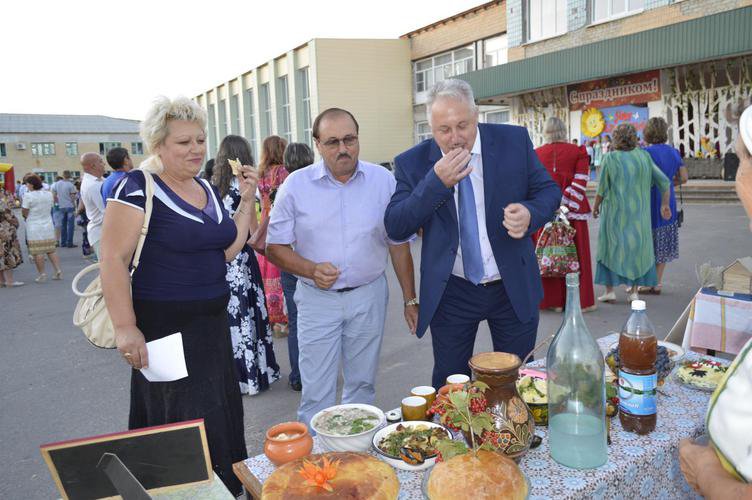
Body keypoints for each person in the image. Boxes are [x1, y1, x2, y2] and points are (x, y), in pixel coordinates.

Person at [100, 96, 255, 495]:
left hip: (212, 331)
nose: (196, 149)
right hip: (166, 333)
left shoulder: (204, 186)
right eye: (184, 142)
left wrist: (248, 199)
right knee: (180, 425)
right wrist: (125, 327)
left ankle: (222, 490)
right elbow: (113, 259)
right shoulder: (137, 187)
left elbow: (226, 250)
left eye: (200, 140)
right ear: (159, 146)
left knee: (218, 416)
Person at [384, 79, 561, 389]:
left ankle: (515, 434)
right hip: (453, 289)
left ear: (477, 115)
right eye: (444, 130)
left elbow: (548, 191)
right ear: (431, 127)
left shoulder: (513, 141)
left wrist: (530, 214)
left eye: (462, 126)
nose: (455, 138)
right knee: (451, 385)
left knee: (516, 381)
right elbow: (396, 226)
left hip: (511, 285)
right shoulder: (412, 163)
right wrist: (435, 183)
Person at [266, 108, 417, 427]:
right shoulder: (296, 185)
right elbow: (274, 247)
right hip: (317, 301)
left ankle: (355, 458)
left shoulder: (382, 180)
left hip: (369, 296)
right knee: (317, 393)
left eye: (349, 139)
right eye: (332, 142)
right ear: (317, 144)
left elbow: (398, 242)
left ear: (358, 138)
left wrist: (410, 298)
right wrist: (310, 269)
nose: (343, 148)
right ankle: (316, 464)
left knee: (362, 387)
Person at [212, 135, 280, 396]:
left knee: (231, 319)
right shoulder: (244, 188)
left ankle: (234, 376)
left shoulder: (211, 188)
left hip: (221, 261)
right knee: (250, 315)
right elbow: (252, 231)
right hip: (242, 260)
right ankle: (256, 373)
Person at [592, 123, 671, 303]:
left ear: (616, 139)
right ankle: (634, 292)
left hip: (614, 215)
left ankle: (610, 291)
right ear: (634, 138)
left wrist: (595, 207)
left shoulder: (610, 159)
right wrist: (664, 205)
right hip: (639, 216)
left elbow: (602, 189)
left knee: (609, 248)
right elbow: (665, 182)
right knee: (636, 249)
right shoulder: (643, 156)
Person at [534, 117, 596, 312]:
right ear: (564, 130)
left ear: (546, 132)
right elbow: (581, 181)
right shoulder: (578, 152)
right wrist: (565, 206)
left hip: (545, 212)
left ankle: (552, 301)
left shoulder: (536, 154)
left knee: (547, 254)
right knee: (576, 255)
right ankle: (580, 302)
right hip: (572, 214)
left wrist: (552, 205)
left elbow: (533, 184)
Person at [280, 142, 315, 392]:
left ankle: (298, 375)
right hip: (310, 264)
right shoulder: (313, 187)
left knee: (296, 321)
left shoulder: (280, 188)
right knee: (317, 323)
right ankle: (313, 375)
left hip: (287, 262)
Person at [640, 117, 688, 295]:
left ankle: (647, 282)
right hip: (668, 200)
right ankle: (657, 283)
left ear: (648, 132)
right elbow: (684, 178)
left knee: (647, 240)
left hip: (649, 199)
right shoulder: (674, 152)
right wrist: (667, 184)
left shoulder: (644, 153)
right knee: (663, 239)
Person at [256, 136, 289, 336]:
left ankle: (270, 316)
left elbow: (261, 200)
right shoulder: (284, 172)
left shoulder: (261, 173)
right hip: (278, 222)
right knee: (280, 268)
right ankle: (283, 318)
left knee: (267, 271)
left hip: (264, 223)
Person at [21, 174, 62, 282]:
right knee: (51, 250)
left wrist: (26, 216)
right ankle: (58, 270)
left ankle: (42, 274)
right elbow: (51, 207)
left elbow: (24, 211)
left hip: (34, 226)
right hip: (47, 224)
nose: (26, 186)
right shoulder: (48, 194)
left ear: (31, 184)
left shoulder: (28, 196)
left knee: (37, 251)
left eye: (27, 184)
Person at [79, 153, 106, 259]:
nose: (104, 163)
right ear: (93, 166)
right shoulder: (92, 185)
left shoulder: (99, 180)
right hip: (101, 233)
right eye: (100, 161)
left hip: (102, 231)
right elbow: (108, 211)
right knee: (109, 271)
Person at [0, 195, 24, 287]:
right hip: (4, 230)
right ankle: (10, 281)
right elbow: (9, 216)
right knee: (8, 254)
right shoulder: (2, 203)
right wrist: (16, 223)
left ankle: (1, 281)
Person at [51, 171, 78, 247]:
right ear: (69, 176)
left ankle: (63, 242)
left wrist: (57, 202)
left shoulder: (57, 184)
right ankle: (69, 242)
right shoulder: (70, 185)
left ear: (62, 175)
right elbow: (72, 197)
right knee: (70, 226)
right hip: (69, 206)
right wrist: (74, 206)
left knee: (63, 225)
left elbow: (54, 195)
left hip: (61, 206)